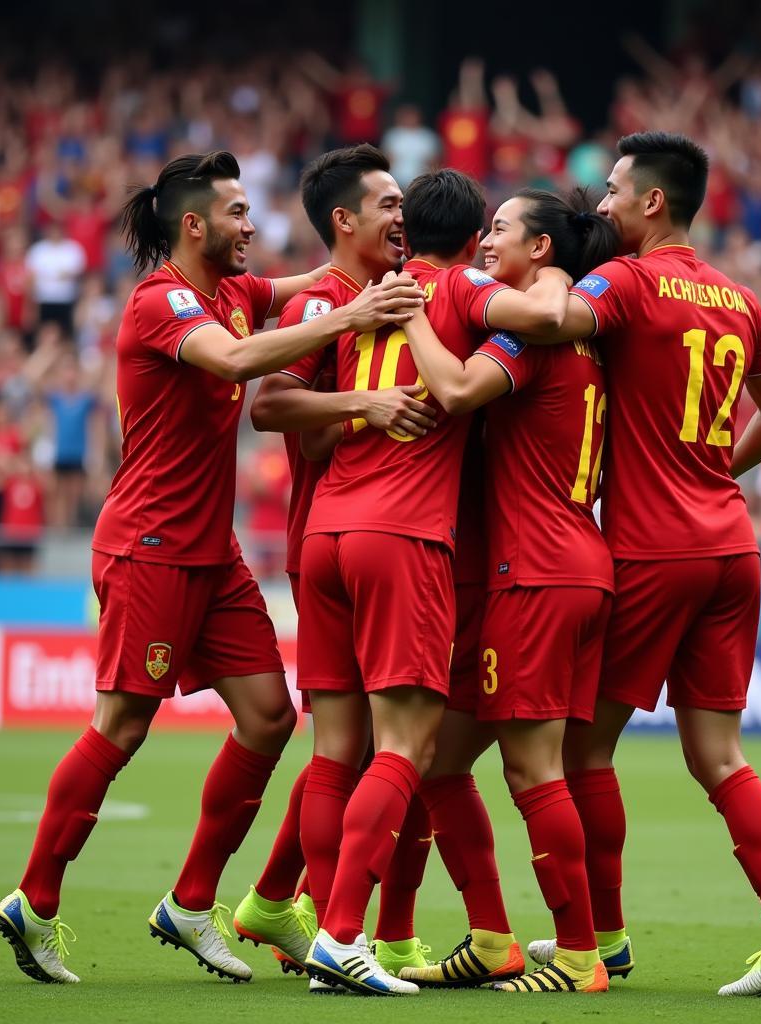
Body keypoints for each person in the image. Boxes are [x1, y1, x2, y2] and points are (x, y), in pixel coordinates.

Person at [0, 150, 423, 986]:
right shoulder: (162, 303)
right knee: (120, 727)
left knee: (268, 718)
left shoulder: (238, 291)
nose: (251, 226)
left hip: (210, 551)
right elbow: (232, 362)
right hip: (149, 543)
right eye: (236, 214)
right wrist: (348, 319)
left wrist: (377, 281)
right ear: (195, 224)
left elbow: (313, 284)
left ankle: (191, 903)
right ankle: (35, 902)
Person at [521, 132, 761, 998]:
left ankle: (606, 942)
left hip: (654, 552)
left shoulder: (621, 282)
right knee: (720, 755)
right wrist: (713, 473)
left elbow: (549, 322)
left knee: (581, 753)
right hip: (731, 547)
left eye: (615, 191)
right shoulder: (739, 297)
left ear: (653, 202)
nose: (603, 204)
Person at [289, 167, 572, 996]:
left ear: (407, 225)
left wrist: (364, 406)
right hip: (403, 536)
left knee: (336, 753)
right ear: (479, 230)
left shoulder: (371, 296)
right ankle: (342, 937)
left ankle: (317, 924)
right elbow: (545, 318)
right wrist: (553, 272)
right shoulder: (462, 289)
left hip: (324, 534)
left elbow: (295, 424)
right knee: (408, 748)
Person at [395, 188, 620, 994]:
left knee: (533, 773)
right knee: (437, 763)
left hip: (536, 576)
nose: (486, 242)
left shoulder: (529, 341)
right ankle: (493, 937)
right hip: (573, 567)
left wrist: (408, 304)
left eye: (501, 230)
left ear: (544, 251)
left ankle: (581, 956)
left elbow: (454, 393)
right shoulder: (583, 340)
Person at [235, 144, 439, 990]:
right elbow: (271, 406)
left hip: (354, 536)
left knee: (353, 750)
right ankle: (338, 926)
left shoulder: (393, 293)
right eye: (386, 204)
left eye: (405, 204)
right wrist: (364, 402)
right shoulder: (324, 299)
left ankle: (301, 908)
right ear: (343, 222)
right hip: (352, 538)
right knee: (367, 746)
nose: (402, 216)